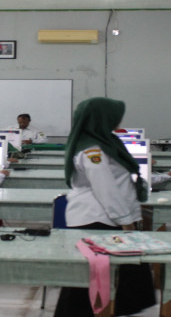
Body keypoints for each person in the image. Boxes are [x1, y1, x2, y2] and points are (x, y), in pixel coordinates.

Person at [56, 97, 155, 317]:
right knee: (85, 283)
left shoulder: (104, 142)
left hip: (104, 217)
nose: (118, 120)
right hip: (97, 219)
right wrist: (126, 221)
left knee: (102, 279)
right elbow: (106, 189)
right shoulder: (92, 150)